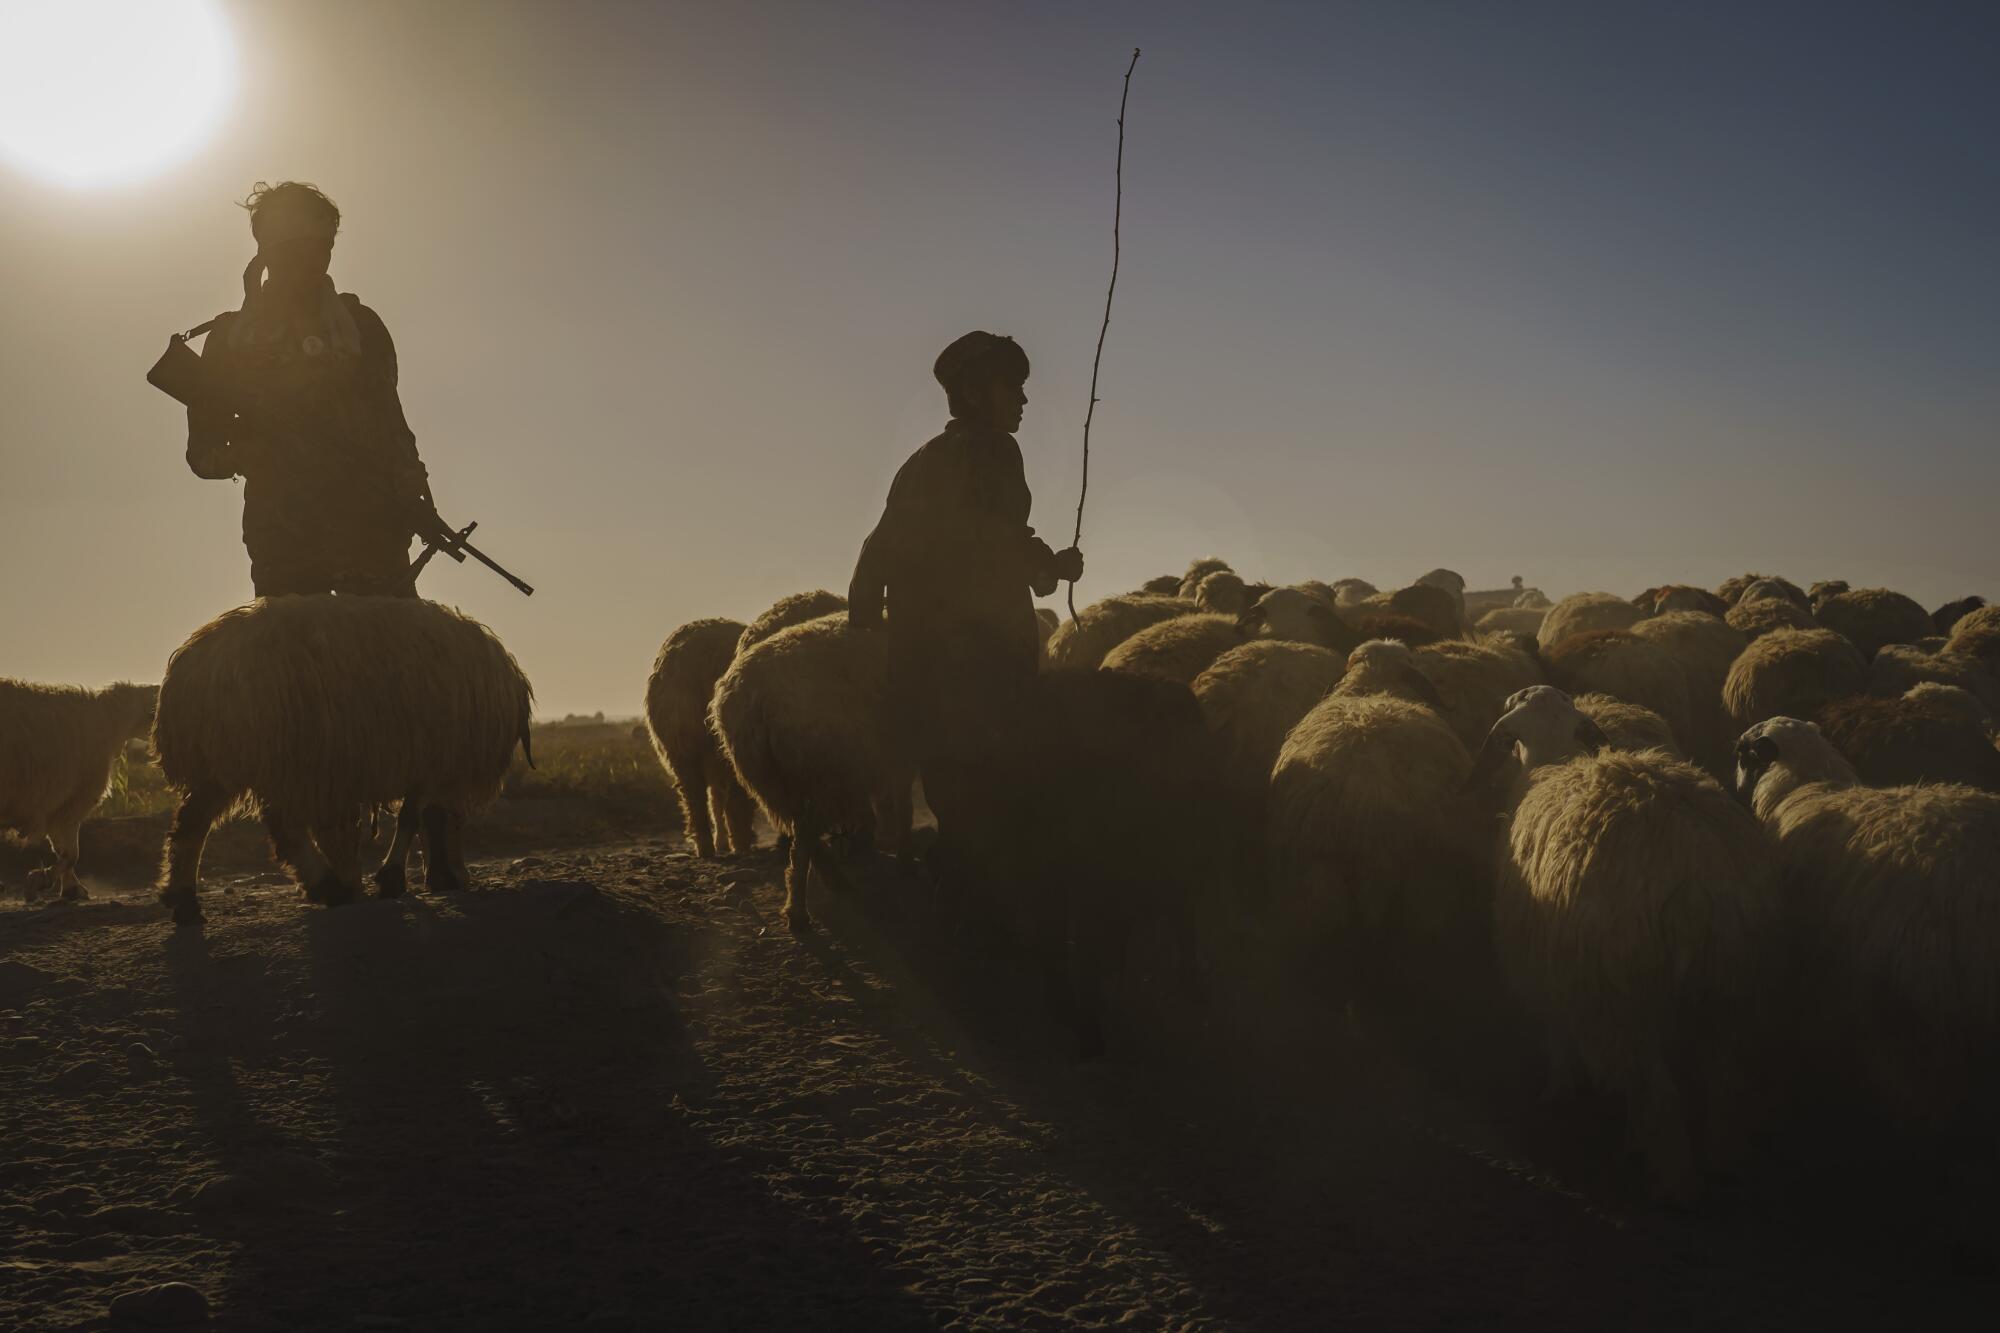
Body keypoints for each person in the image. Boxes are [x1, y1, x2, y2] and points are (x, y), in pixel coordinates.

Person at [849, 331, 1083, 850]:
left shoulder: (918, 463)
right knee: (995, 797)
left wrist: (869, 623)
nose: (1023, 400)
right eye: (1012, 387)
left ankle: (955, 897)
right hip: (985, 666)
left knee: (953, 796)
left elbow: (879, 547)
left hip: (923, 669)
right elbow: (996, 536)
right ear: (977, 393)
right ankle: (985, 909)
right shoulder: (997, 450)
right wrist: (1053, 567)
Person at [183, 181, 439, 597]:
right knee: (294, 655)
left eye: (322, 247)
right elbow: (202, 454)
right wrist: (261, 452)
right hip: (284, 540)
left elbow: (393, 429)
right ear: (269, 254)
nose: (314, 260)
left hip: (370, 529)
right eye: (297, 249)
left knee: (388, 652)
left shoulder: (362, 328)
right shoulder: (231, 338)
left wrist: (414, 494)